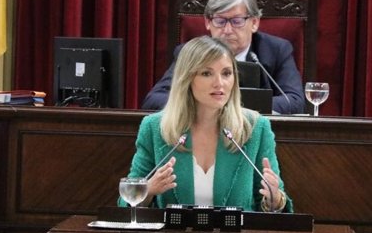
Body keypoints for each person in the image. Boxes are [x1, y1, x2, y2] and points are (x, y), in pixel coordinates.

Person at [120, 35, 293, 212]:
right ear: (186, 79)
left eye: (226, 73)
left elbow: (273, 207)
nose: (220, 83)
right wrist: (148, 190)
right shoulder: (154, 127)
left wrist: (275, 200)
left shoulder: (256, 127)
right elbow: (126, 203)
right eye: (206, 73)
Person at [142, 0, 305, 115]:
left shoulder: (276, 50)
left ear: (254, 23)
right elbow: (154, 100)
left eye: (237, 21)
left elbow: (295, 101)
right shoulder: (190, 53)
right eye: (220, 21)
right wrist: (205, 105)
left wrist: (229, 106)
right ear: (207, 22)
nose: (227, 30)